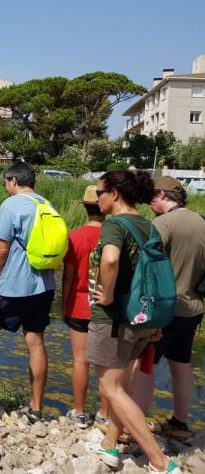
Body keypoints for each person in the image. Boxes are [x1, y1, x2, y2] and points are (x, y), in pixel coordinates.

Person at [87, 170, 182, 474]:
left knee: (109, 386)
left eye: (100, 193)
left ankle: (160, 461)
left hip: (117, 318)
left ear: (114, 193)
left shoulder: (115, 225)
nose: (98, 199)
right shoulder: (148, 225)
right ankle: (112, 447)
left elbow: (111, 259)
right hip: (144, 315)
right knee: (121, 384)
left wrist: (108, 296)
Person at [132, 176, 205, 441]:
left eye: (152, 196)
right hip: (194, 307)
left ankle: (133, 426)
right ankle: (179, 423)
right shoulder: (200, 221)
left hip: (164, 309)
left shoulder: (163, 223)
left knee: (144, 364)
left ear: (163, 194)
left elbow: (146, 261)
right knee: (181, 365)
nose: (149, 202)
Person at [0, 162, 56, 423]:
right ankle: (36, 407)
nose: (5, 187)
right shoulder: (47, 205)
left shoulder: (12, 205)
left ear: (13, 180)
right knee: (35, 342)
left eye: (6, 182)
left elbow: (1, 250)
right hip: (45, 285)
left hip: (16, 286)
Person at [61, 185, 110, 429]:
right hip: (108, 306)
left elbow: (68, 277)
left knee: (81, 360)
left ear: (84, 206)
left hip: (80, 305)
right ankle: (104, 413)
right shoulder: (114, 236)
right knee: (107, 362)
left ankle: (79, 412)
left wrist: (63, 305)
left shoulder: (75, 237)